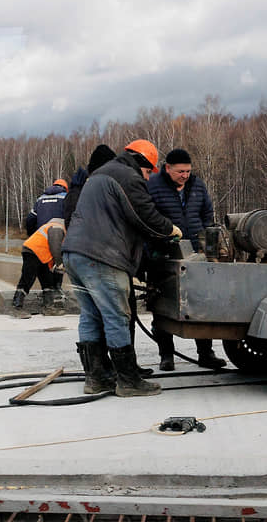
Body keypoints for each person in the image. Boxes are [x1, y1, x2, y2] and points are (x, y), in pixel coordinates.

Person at [63, 139, 182, 397]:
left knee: (91, 316)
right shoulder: (127, 176)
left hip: (74, 254)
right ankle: (128, 381)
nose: (149, 179)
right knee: (117, 316)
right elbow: (145, 216)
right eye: (149, 172)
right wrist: (169, 229)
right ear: (143, 163)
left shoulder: (100, 175)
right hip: (100, 256)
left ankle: (96, 379)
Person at [146, 148, 226, 371]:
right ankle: (166, 355)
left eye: (188, 171)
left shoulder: (197, 186)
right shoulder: (153, 186)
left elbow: (207, 214)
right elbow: (146, 216)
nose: (185, 175)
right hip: (162, 253)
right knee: (162, 306)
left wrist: (207, 241)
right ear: (167, 168)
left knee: (202, 303)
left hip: (196, 255)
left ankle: (206, 353)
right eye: (180, 171)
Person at [24, 179, 70, 312]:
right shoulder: (65, 197)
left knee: (44, 264)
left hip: (42, 236)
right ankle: (56, 289)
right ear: (65, 188)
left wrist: (32, 234)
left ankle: (47, 293)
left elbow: (31, 219)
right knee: (58, 260)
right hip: (59, 233)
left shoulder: (40, 199)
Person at [13, 217, 66, 314]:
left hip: (40, 255)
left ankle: (49, 307)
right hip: (33, 251)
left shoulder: (54, 226)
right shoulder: (57, 227)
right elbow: (55, 246)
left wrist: (54, 266)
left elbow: (51, 250)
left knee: (47, 281)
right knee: (28, 278)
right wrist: (59, 263)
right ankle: (16, 307)